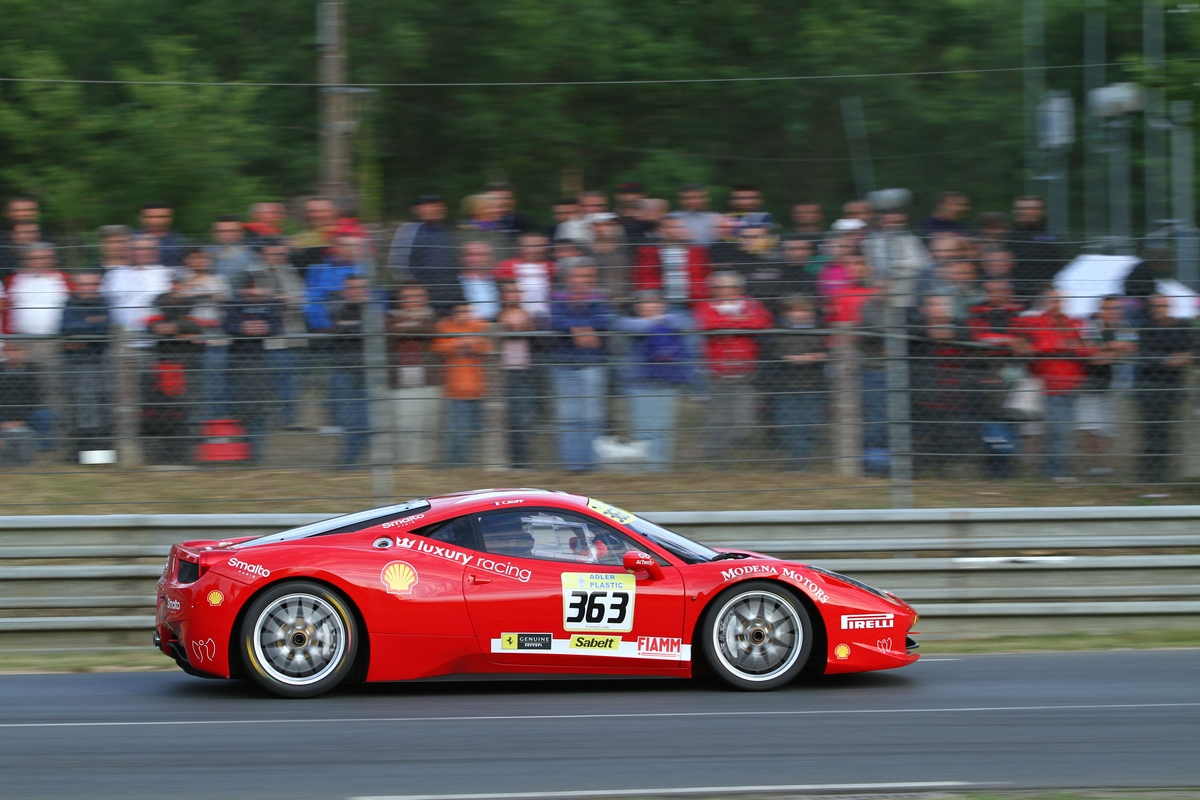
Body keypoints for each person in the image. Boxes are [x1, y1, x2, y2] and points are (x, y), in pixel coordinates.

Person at [693, 271, 773, 460]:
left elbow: (761, 322)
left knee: (743, 419)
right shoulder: (705, 305)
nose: (723, 291)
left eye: (728, 286)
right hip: (717, 370)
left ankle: (734, 449)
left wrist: (726, 325)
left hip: (746, 369)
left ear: (738, 288)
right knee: (717, 415)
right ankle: (714, 453)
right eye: (718, 287)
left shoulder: (752, 304)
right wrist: (740, 322)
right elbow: (707, 324)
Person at [1015, 289, 1092, 479]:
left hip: (1072, 383)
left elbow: (1088, 348)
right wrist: (1064, 344)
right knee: (1058, 430)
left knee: (1064, 430)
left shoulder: (1073, 322)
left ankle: (1055, 469)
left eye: (1060, 300)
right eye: (1053, 300)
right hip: (1051, 385)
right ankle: (1055, 471)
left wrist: (1070, 346)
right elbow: (1037, 346)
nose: (1057, 304)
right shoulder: (1036, 322)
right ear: (1045, 302)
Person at [615, 290, 692, 471]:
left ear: (663, 304)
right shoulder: (630, 324)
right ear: (637, 307)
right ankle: (648, 468)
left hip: (665, 381)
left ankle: (660, 467)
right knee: (644, 429)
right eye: (644, 303)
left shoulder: (674, 320)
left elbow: (687, 321)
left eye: (654, 302)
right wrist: (656, 323)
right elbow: (627, 326)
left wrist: (658, 322)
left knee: (663, 427)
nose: (649, 306)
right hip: (640, 383)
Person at [548, 263, 614, 472]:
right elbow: (556, 321)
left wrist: (576, 328)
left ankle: (592, 465)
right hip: (565, 366)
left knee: (592, 416)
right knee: (569, 417)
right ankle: (573, 466)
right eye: (578, 275)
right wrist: (579, 329)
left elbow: (605, 320)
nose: (583, 280)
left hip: (593, 365)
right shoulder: (558, 299)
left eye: (588, 276)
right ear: (569, 278)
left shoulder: (600, 300)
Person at [909, 294, 979, 476]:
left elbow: (970, 337)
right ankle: (924, 475)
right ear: (926, 309)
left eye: (945, 304)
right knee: (925, 441)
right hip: (926, 399)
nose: (941, 308)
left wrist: (952, 333)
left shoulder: (960, 326)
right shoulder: (917, 325)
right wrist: (928, 333)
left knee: (955, 440)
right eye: (936, 304)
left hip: (956, 397)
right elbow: (908, 332)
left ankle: (950, 474)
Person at [7, 243, 69, 447]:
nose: (40, 262)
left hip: (53, 344)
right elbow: (6, 311)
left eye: (45, 257)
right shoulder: (15, 281)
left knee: (54, 390)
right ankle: (24, 441)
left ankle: (55, 441)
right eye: (35, 258)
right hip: (21, 344)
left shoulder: (63, 280)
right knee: (21, 392)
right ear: (27, 260)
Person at [1134, 294, 1194, 484]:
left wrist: (1187, 356)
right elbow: (1144, 356)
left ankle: (1165, 474)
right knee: (1152, 432)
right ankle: (1151, 475)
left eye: (1163, 305)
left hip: (1173, 387)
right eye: (1156, 306)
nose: (1159, 309)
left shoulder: (1182, 326)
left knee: (1167, 432)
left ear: (1170, 307)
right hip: (1150, 388)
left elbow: (1194, 349)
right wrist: (1168, 360)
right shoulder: (1146, 328)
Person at [223, 275, 283, 462]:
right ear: (242, 290)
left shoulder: (270, 305)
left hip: (264, 360)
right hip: (239, 360)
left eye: (257, 287)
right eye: (249, 287)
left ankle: (254, 452)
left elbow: (277, 326)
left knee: (257, 408)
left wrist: (264, 328)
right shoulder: (234, 305)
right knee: (241, 406)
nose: (253, 292)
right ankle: (242, 450)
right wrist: (243, 328)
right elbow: (227, 325)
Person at [143, 277, 203, 464]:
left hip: (187, 368)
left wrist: (175, 328)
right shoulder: (160, 305)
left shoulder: (190, 307)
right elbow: (153, 327)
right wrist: (180, 331)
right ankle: (166, 456)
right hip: (163, 369)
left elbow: (195, 327)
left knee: (186, 412)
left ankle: (183, 456)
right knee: (167, 412)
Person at [1077, 296, 1137, 476]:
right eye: (1109, 309)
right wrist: (1114, 349)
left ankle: (1104, 463)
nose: (1114, 312)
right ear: (1100, 311)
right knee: (1090, 424)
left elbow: (1131, 347)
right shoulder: (1090, 326)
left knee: (1107, 426)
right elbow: (1093, 354)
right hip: (1090, 383)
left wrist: (1108, 349)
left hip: (1114, 383)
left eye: (1117, 309)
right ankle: (1095, 463)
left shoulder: (1125, 327)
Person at [770, 296, 827, 471]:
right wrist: (792, 358)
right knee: (789, 424)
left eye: (805, 310)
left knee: (809, 423)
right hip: (787, 386)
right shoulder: (779, 331)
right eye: (796, 310)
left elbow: (829, 352)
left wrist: (815, 357)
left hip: (812, 385)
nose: (801, 314)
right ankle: (795, 461)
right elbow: (775, 353)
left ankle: (803, 461)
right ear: (787, 313)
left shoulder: (820, 330)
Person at [59, 271, 113, 457]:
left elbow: (108, 328)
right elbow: (66, 328)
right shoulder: (70, 303)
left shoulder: (103, 303)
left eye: (92, 285)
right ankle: (88, 455)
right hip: (79, 362)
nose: (88, 289)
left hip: (101, 359)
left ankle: (103, 455)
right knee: (84, 403)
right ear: (77, 286)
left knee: (104, 401)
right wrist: (93, 324)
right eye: (83, 285)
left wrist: (83, 329)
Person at [432, 301, 492, 466]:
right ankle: (457, 465)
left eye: (467, 311)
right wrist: (461, 342)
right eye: (460, 311)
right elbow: (439, 348)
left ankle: (466, 465)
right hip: (456, 391)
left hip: (479, 389)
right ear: (453, 313)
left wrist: (466, 342)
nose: (464, 315)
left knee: (474, 432)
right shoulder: (445, 327)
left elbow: (486, 346)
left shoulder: (479, 325)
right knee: (458, 432)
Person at [388, 284, 441, 465]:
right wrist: (414, 326)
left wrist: (407, 326)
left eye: (418, 296)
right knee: (405, 426)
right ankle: (407, 465)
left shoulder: (434, 317)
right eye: (408, 296)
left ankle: (427, 464)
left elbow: (431, 331)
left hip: (429, 382)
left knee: (429, 426)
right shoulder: (389, 317)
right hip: (401, 383)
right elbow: (390, 331)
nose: (413, 301)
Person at [328, 275, 372, 467]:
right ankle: (350, 460)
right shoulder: (338, 308)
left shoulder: (374, 310)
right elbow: (339, 329)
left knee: (367, 420)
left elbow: (373, 330)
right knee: (350, 419)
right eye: (352, 288)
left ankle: (354, 459)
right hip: (345, 371)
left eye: (361, 288)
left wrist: (351, 328)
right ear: (345, 291)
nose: (357, 292)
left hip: (370, 372)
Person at [495, 281, 540, 470]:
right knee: (511, 418)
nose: (513, 295)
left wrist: (519, 327)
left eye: (516, 291)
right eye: (509, 291)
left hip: (525, 371)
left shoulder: (527, 315)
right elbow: (504, 332)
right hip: (504, 373)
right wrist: (515, 328)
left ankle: (523, 462)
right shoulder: (498, 315)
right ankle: (514, 462)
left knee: (523, 418)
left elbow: (532, 335)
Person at [102, 235, 173, 347]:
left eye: (149, 248)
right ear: (131, 251)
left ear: (156, 251)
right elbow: (106, 302)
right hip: (124, 335)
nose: (145, 253)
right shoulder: (115, 274)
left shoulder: (166, 273)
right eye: (139, 249)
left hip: (159, 336)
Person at [631, 215, 711, 312]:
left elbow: (706, 274)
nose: (675, 231)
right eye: (670, 227)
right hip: (662, 303)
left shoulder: (697, 250)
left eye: (679, 227)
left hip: (694, 301)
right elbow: (643, 278)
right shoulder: (649, 251)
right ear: (660, 230)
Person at [404, 195, 462, 313]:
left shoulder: (450, 231)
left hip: (452, 291)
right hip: (424, 293)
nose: (434, 209)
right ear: (416, 210)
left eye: (437, 206)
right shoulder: (408, 233)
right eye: (428, 206)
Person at [494, 232, 554, 325]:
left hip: (546, 317)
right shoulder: (506, 266)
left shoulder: (551, 267)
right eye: (532, 246)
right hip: (516, 319)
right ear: (520, 247)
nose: (538, 250)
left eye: (541, 245)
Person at [0, 342, 43, 465]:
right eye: (8, 350)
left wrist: (20, 421)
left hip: (27, 412)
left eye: (16, 349)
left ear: (24, 352)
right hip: (3, 411)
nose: (11, 353)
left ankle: (41, 453)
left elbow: (37, 396)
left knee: (44, 415)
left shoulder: (33, 369)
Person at [457, 240, 500, 322]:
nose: (476, 259)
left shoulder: (499, 282)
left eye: (482, 255)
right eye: (470, 255)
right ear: (461, 258)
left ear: (492, 258)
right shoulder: (453, 282)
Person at [208, 216, 261, 284]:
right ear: (214, 233)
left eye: (233, 231)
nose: (228, 235)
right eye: (222, 231)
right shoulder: (203, 253)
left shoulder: (252, 256)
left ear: (242, 233)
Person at [137, 202, 188, 267]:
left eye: (162, 217)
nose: (157, 221)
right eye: (151, 217)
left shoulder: (181, 242)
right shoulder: (130, 241)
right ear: (141, 219)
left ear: (171, 218)